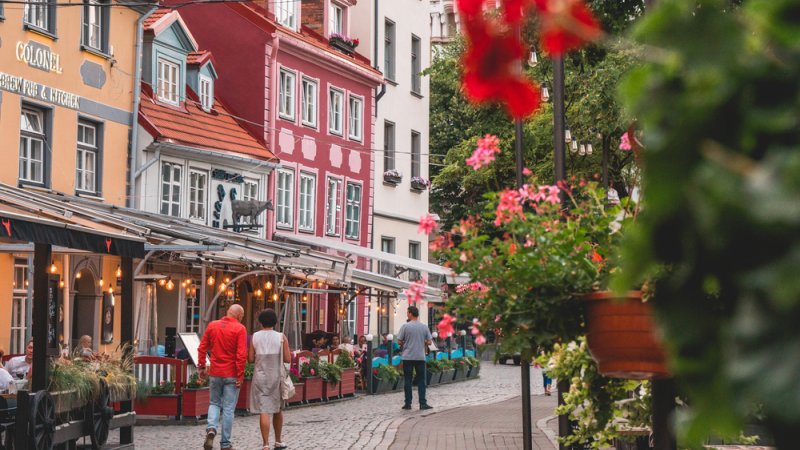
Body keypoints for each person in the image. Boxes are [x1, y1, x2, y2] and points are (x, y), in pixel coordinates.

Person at [198, 304, 247, 450]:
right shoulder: (240, 329)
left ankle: (211, 428)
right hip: (231, 373)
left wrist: (202, 366)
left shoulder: (213, 325)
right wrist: (240, 375)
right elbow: (241, 355)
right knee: (228, 409)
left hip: (215, 372)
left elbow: (202, 348)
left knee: (214, 403)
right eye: (242, 316)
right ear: (239, 315)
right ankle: (225, 443)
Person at [248, 309, 291, 450]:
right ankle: (278, 441)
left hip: (260, 376)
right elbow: (287, 358)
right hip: (276, 376)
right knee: (278, 409)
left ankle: (265, 444)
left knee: (264, 410)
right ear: (275, 322)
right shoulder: (281, 337)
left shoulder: (255, 337)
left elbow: (250, 359)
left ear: (260, 322)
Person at [396, 305, 433, 410]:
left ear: (411, 314)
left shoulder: (405, 326)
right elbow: (430, 342)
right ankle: (423, 403)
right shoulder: (424, 327)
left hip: (408, 357)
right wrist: (422, 341)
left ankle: (408, 403)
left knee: (408, 380)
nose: (407, 314)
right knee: (421, 380)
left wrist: (406, 342)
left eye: (407, 312)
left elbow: (399, 341)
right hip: (420, 357)